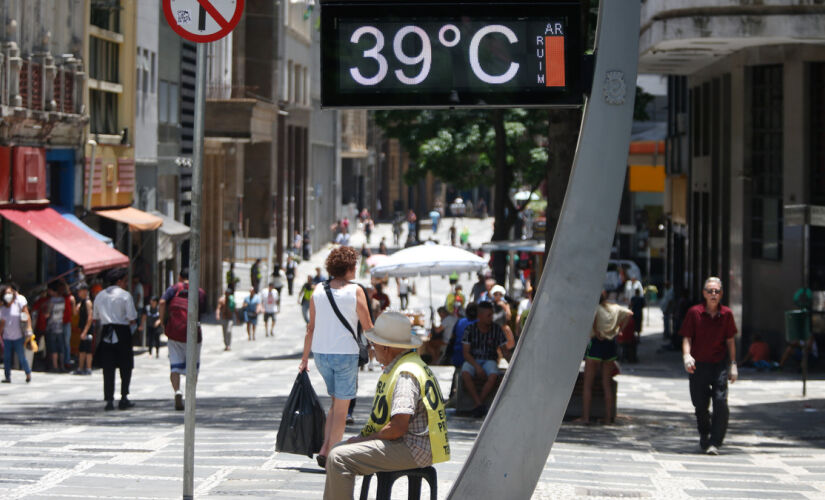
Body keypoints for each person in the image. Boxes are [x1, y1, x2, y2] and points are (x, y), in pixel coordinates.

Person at [324, 311, 450, 499]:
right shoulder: (411, 364)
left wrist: (364, 440)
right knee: (337, 451)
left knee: (339, 458)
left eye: (374, 344)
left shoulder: (405, 374)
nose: (372, 349)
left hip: (413, 448)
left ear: (386, 347)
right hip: (415, 444)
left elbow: (398, 427)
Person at [298, 246, 374, 469]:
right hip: (345, 354)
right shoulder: (356, 291)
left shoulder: (318, 290)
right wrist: (381, 349)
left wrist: (304, 358)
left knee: (335, 402)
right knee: (342, 409)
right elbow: (368, 327)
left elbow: (310, 328)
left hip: (321, 354)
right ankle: (333, 456)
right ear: (349, 268)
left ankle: (324, 448)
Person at [680, 276, 738, 455]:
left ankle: (715, 441)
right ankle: (704, 432)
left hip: (718, 364)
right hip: (698, 365)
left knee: (720, 402)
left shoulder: (727, 314)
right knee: (700, 404)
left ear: (721, 294)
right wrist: (687, 356)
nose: (713, 294)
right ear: (704, 294)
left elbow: (730, 341)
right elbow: (687, 337)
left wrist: (733, 364)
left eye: (717, 291)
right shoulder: (694, 313)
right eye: (710, 291)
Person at [575, 292, 631, 425]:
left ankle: (585, 417)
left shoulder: (595, 308)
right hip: (610, 345)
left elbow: (592, 320)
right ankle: (607, 418)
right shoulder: (615, 308)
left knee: (588, 383)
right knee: (607, 383)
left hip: (596, 344)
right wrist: (619, 329)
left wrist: (596, 330)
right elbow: (630, 313)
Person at [159, 268, 206, 411]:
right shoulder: (199, 291)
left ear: (180, 277)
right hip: (193, 331)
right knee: (193, 366)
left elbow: (162, 302)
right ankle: (190, 395)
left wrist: (163, 322)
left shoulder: (174, 289)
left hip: (174, 332)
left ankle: (177, 391)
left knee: (175, 365)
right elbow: (202, 311)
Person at [93, 268, 138, 411]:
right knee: (126, 366)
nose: (126, 284)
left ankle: (109, 400)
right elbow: (132, 316)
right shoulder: (125, 296)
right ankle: (124, 397)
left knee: (108, 367)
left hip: (106, 331)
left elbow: (95, 317)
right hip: (122, 331)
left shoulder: (99, 295)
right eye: (125, 281)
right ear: (119, 282)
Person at [461, 301, 515, 417]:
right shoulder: (470, 330)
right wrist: (477, 367)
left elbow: (504, 351)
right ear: (480, 316)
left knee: (493, 375)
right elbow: (466, 353)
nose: (491, 318)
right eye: (488, 315)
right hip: (473, 360)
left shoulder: (496, 329)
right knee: (465, 373)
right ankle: (479, 404)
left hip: (489, 360)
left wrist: (513, 363)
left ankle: (478, 404)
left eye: (492, 315)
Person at [1, 284, 33, 383]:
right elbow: (2, 324)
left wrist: (29, 329)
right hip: (7, 337)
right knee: (7, 358)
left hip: (19, 336)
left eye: (10, 293)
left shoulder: (18, 304)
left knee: (21, 356)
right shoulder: (2, 309)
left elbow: (26, 316)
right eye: (6, 293)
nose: (8, 295)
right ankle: (7, 377)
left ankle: (28, 373)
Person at [44, 282, 68, 372]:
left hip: (52, 326)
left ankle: (55, 366)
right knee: (61, 347)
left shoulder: (51, 301)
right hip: (60, 326)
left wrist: (44, 312)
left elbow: (47, 314)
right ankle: (62, 365)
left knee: (53, 348)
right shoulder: (62, 299)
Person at [73, 283, 94, 374]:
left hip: (87, 329)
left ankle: (88, 368)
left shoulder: (88, 302)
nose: (78, 293)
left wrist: (85, 332)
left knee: (88, 349)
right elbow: (75, 313)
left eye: (80, 291)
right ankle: (80, 368)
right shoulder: (81, 302)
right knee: (81, 349)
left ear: (85, 291)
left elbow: (90, 317)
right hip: (82, 329)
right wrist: (73, 302)